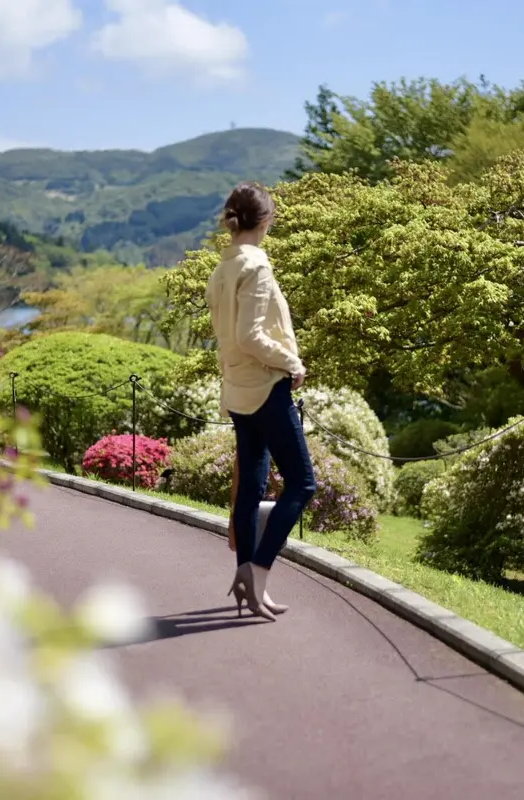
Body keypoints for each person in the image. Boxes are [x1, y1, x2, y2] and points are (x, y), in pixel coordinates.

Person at [207, 182, 316, 622]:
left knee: (251, 491)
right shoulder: (256, 266)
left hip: (237, 388)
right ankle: (258, 574)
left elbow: (228, 338)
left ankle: (246, 580)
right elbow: (251, 336)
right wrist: (292, 362)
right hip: (266, 388)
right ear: (266, 220)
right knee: (302, 484)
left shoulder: (222, 269)